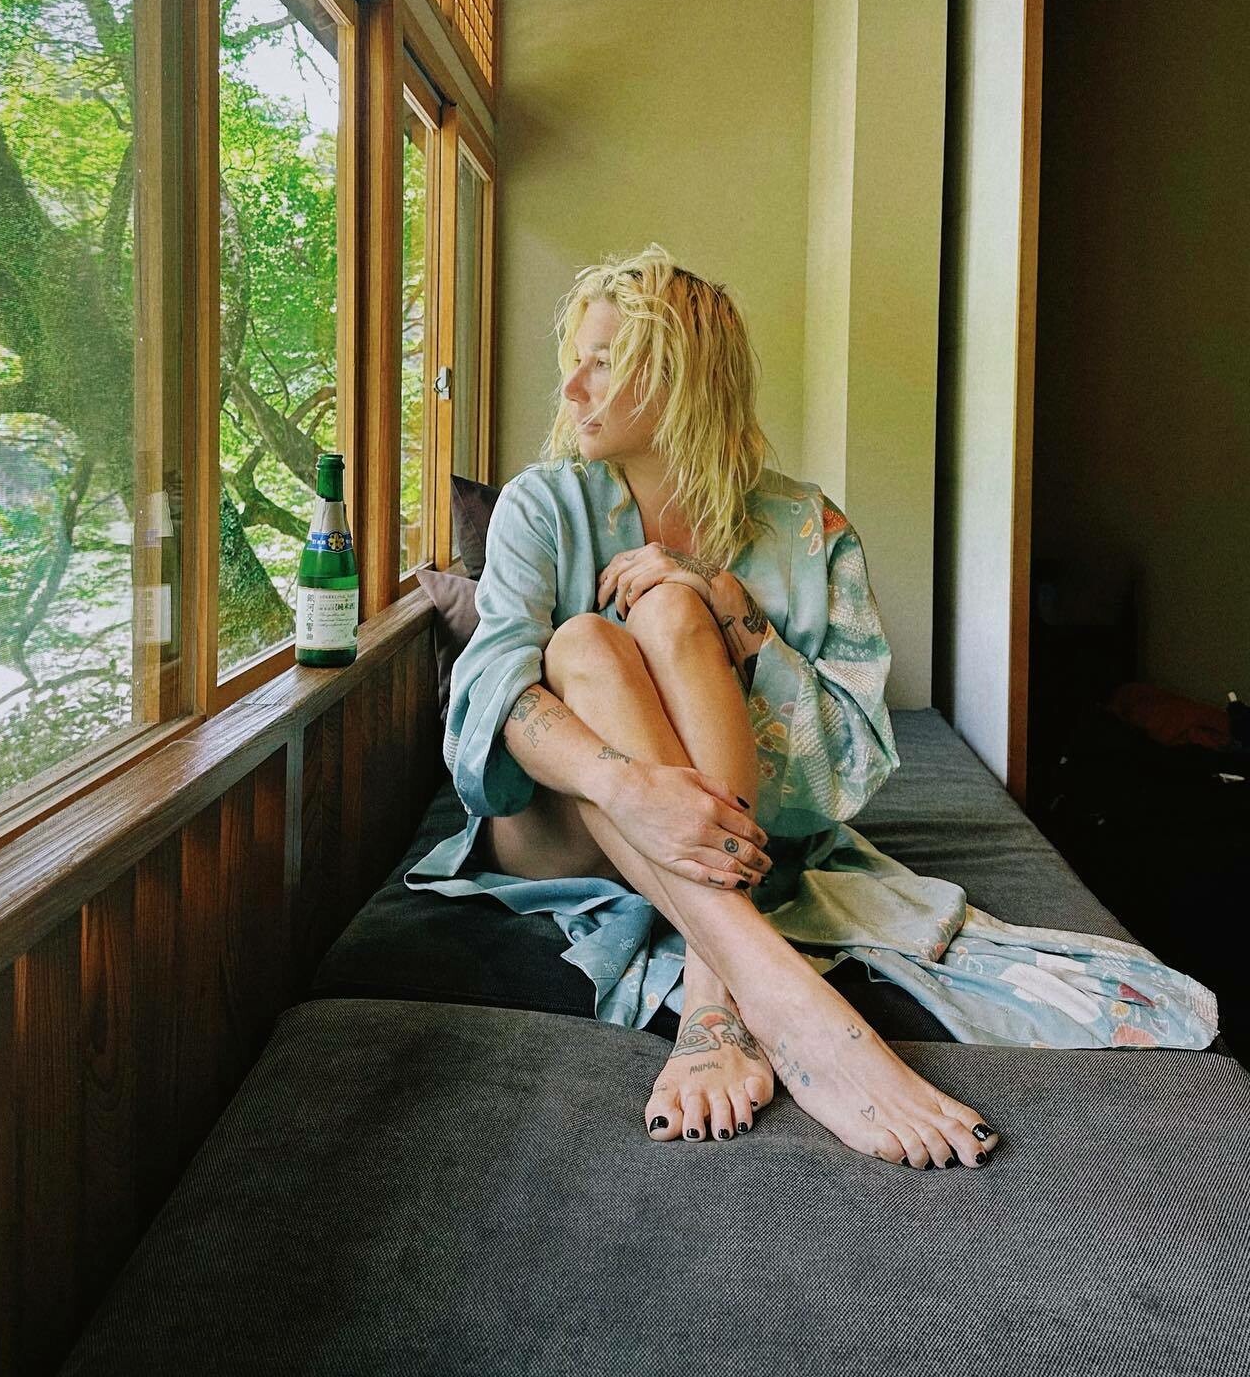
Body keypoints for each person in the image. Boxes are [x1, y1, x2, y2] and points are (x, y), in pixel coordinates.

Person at [405, 245, 1218, 1168]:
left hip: (750, 836)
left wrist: (731, 607)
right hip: (561, 826)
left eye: (601, 363)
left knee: (672, 607)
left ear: (678, 380)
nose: (571, 389)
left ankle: (714, 994)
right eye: (575, 361)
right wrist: (628, 788)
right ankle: (788, 1006)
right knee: (582, 643)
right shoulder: (542, 504)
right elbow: (492, 691)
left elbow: (852, 756)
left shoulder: (807, 528)